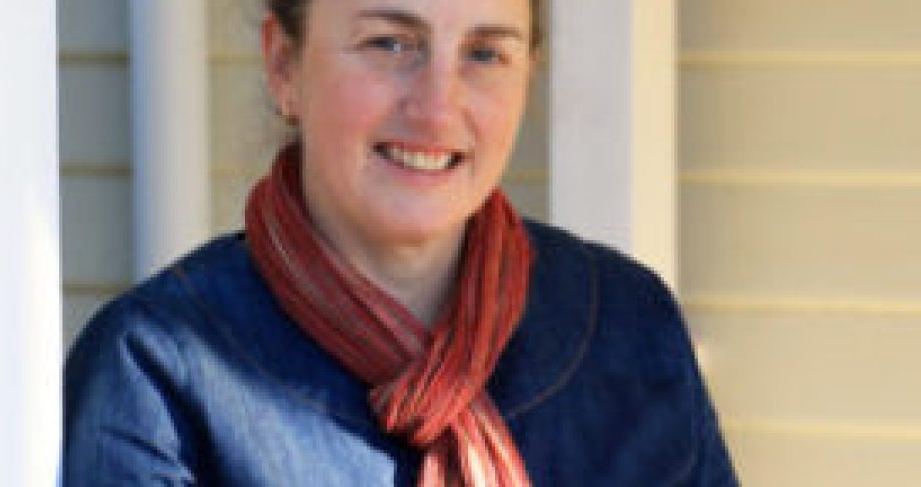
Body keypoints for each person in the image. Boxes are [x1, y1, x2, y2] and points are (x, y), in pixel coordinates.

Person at [64, 0, 738, 485]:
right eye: (390, 42)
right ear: (283, 66)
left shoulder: (627, 325)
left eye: (485, 52)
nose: (437, 106)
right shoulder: (155, 370)